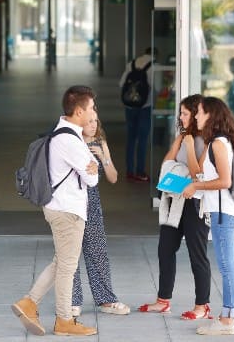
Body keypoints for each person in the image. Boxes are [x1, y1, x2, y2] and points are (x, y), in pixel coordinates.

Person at [11, 85, 99, 336]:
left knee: (61, 262)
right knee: (68, 267)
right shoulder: (70, 140)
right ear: (79, 111)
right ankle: (64, 320)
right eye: (91, 108)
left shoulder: (62, 133)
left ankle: (29, 302)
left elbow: (90, 171)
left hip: (60, 208)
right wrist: (91, 166)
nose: (94, 113)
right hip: (68, 211)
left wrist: (91, 166)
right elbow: (92, 180)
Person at [138, 94, 211, 320]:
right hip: (175, 199)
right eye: (181, 113)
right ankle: (163, 300)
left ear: (197, 114)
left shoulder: (207, 140)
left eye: (185, 113)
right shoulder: (183, 136)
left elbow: (198, 172)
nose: (181, 117)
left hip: (196, 201)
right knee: (165, 249)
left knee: (197, 254)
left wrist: (189, 147)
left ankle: (202, 305)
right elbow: (166, 165)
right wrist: (179, 142)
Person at [182, 96, 234, 336]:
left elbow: (224, 181)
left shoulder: (219, 143)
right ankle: (226, 316)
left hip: (224, 213)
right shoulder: (213, 142)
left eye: (199, 112)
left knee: (227, 266)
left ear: (211, 115)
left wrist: (196, 188)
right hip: (219, 212)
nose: (196, 116)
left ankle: (227, 319)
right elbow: (200, 174)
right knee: (226, 264)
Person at [71, 110, 130, 317]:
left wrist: (104, 158)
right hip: (71, 203)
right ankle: (73, 301)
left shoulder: (99, 143)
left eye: (96, 120)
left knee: (97, 252)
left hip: (92, 203)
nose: (93, 124)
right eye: (89, 121)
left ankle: (105, 299)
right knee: (71, 254)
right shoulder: (71, 141)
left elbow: (113, 177)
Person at [119, 47, 157, 182]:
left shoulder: (132, 63)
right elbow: (156, 87)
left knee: (131, 138)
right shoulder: (154, 66)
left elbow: (122, 84)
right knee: (142, 139)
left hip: (129, 106)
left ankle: (129, 170)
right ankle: (140, 171)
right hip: (145, 107)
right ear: (156, 55)